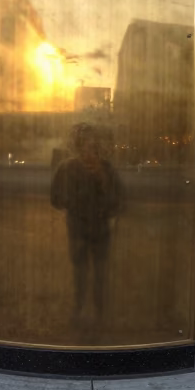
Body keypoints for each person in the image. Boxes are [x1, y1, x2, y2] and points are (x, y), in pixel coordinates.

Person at [50, 123, 123, 323]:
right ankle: (80, 309)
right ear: (79, 146)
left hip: (99, 230)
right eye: (86, 146)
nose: (89, 152)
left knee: (98, 273)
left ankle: (98, 312)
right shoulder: (67, 168)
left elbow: (118, 201)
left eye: (94, 147)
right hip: (79, 229)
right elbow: (56, 199)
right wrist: (76, 204)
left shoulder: (107, 169)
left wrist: (103, 179)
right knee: (81, 273)